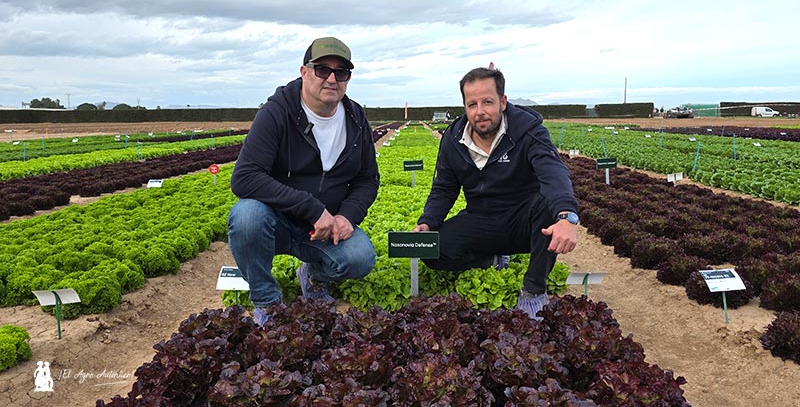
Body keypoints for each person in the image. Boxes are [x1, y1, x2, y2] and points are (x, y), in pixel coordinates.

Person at [228, 37, 379, 327]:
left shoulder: (356, 118)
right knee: (246, 217)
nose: (332, 79)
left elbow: (367, 179)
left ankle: (313, 276)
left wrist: (347, 216)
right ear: (304, 72)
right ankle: (267, 303)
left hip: (327, 229)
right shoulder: (277, 112)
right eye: (322, 69)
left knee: (361, 258)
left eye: (342, 72)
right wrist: (312, 209)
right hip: (277, 222)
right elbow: (244, 177)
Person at [414, 67, 579, 320]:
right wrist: (428, 222)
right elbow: (444, 188)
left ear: (503, 102)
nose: (479, 111)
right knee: (431, 250)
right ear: (464, 107)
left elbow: (552, 172)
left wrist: (566, 215)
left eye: (487, 102)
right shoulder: (453, 139)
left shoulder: (528, 131)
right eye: (472, 104)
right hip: (481, 219)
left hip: (522, 221)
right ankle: (492, 260)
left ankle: (534, 290)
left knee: (546, 205)